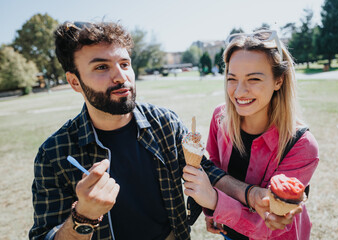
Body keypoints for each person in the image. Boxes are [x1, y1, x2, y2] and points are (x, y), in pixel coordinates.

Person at [29, 21, 230, 240]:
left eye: (124, 64)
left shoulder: (164, 122)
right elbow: (43, 236)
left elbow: (207, 171)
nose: (121, 76)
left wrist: (251, 194)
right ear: (74, 82)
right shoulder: (54, 153)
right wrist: (83, 217)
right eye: (101, 67)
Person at [182, 30, 319, 240]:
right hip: (229, 231)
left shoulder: (302, 145)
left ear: (278, 81)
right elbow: (215, 168)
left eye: (253, 79)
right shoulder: (220, 117)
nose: (238, 92)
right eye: (232, 79)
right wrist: (212, 213)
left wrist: (215, 202)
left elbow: (271, 226)